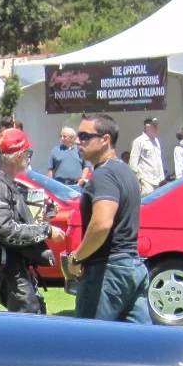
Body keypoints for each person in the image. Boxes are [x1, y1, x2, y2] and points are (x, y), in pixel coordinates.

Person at [63, 114, 150, 324]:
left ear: (105, 140)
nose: (78, 141)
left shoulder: (104, 175)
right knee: (139, 341)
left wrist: (76, 258)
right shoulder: (124, 171)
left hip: (107, 271)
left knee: (90, 339)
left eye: (85, 136)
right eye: (78, 136)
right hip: (132, 267)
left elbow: (101, 224)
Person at [0, 128, 66, 315]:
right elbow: (5, 231)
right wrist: (46, 231)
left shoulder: (6, 183)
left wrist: (38, 220)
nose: (28, 158)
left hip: (15, 265)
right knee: (28, 318)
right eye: (27, 153)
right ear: (18, 156)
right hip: (7, 268)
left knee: (37, 313)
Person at [128, 117, 164, 195]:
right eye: (154, 126)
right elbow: (133, 163)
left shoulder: (156, 141)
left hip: (159, 181)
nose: (156, 128)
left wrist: (162, 178)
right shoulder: (139, 141)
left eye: (157, 126)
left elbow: (159, 160)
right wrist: (139, 179)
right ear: (147, 127)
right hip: (146, 181)